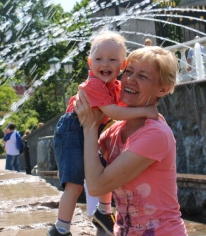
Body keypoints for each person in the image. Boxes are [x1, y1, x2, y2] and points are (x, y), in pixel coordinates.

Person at [47, 30, 158, 236]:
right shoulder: (94, 84)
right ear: (90, 62)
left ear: (123, 65)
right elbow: (113, 112)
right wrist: (147, 111)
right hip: (72, 130)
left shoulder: (114, 86)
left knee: (104, 172)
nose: (105, 64)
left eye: (112, 59)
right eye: (99, 59)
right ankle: (60, 229)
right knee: (74, 184)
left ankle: (103, 212)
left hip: (89, 130)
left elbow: (124, 107)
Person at [74, 46, 188, 236]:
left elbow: (96, 186)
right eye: (128, 71)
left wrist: (90, 126)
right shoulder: (115, 130)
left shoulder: (155, 134)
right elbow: (86, 165)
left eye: (143, 76)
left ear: (163, 89)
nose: (130, 80)